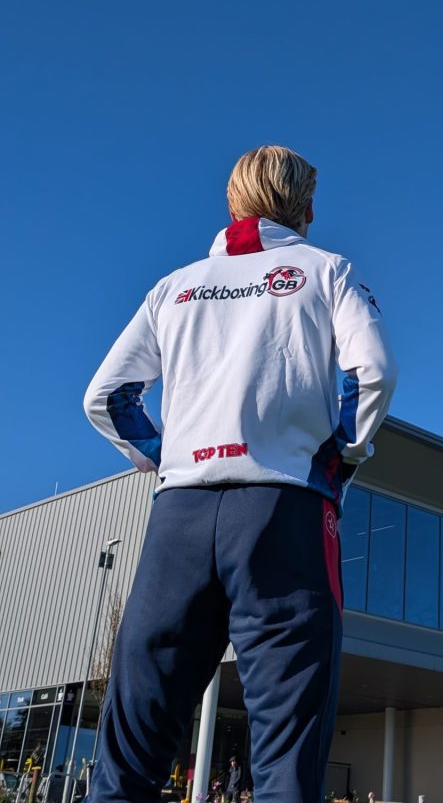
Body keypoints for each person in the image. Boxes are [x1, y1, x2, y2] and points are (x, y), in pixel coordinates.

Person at [83, 145, 397, 803]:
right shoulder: (326, 270)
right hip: (285, 514)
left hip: (179, 520)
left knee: (130, 758)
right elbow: (372, 372)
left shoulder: (174, 286)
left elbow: (106, 397)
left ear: (231, 205)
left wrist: (166, 454)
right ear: (307, 209)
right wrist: (341, 452)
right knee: (286, 760)